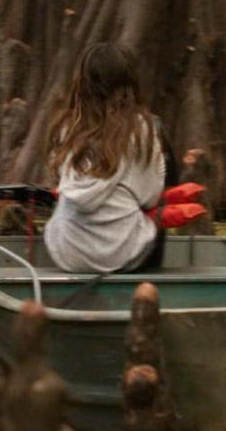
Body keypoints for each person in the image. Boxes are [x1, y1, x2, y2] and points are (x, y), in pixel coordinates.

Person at [42, 42, 178, 273]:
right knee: (161, 210)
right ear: (130, 83)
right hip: (123, 254)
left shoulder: (65, 126)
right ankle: (150, 284)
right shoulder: (145, 129)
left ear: (81, 83)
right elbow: (151, 197)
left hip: (68, 254)